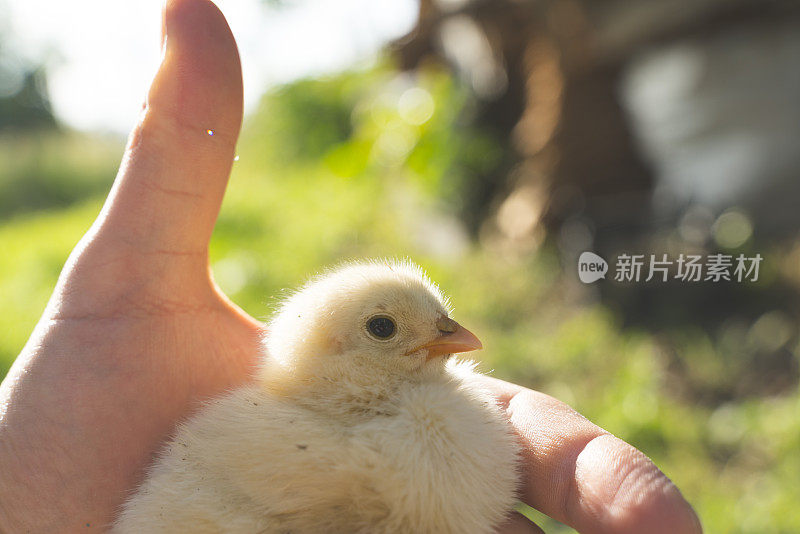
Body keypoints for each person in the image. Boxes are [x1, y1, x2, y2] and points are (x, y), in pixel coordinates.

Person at [0, 1, 703, 532]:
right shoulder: (339, 447)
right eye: (381, 328)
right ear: (328, 350)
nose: (455, 337)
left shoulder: (341, 427)